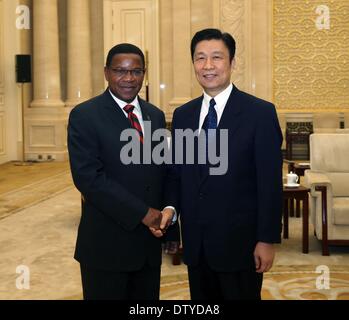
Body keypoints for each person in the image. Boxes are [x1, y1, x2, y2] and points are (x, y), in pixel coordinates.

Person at [165, 28, 283, 300]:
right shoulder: (183, 115)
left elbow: (269, 184)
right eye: (200, 58)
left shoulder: (260, 113)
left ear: (232, 62)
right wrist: (171, 211)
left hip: (241, 245)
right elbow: (177, 173)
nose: (208, 66)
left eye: (216, 57)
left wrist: (266, 239)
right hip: (196, 244)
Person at [67, 43, 174, 300]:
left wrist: (169, 211)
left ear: (144, 74)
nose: (129, 78)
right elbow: (89, 179)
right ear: (106, 72)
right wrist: (143, 213)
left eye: (136, 72)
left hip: (148, 247)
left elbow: (165, 170)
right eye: (120, 71)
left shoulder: (155, 116)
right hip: (106, 247)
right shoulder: (85, 115)